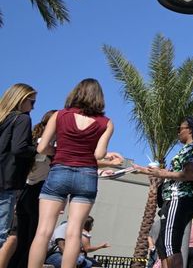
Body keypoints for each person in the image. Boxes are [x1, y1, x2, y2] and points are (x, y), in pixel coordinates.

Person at [28, 79, 115, 268]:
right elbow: (99, 154)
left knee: (43, 231)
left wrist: (58, 152)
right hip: (87, 176)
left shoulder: (60, 115)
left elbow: (42, 147)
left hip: (59, 171)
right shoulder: (106, 123)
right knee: (74, 232)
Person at [135, 117, 193, 268]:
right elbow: (175, 172)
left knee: (170, 245)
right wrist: (144, 170)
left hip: (178, 199)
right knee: (162, 245)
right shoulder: (187, 149)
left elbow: (189, 174)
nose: (178, 132)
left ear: (190, 130)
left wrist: (162, 174)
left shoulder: (191, 149)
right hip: (173, 200)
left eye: (180, 129)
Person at [10, 110, 55, 268]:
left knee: (22, 240)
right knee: (34, 239)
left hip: (24, 190)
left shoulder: (33, 140)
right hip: (38, 190)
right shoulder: (48, 145)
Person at [0, 83, 38, 249]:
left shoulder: (3, 118)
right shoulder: (22, 119)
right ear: (22, 100)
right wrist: (38, 149)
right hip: (6, 182)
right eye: (32, 102)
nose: (33, 107)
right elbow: (19, 148)